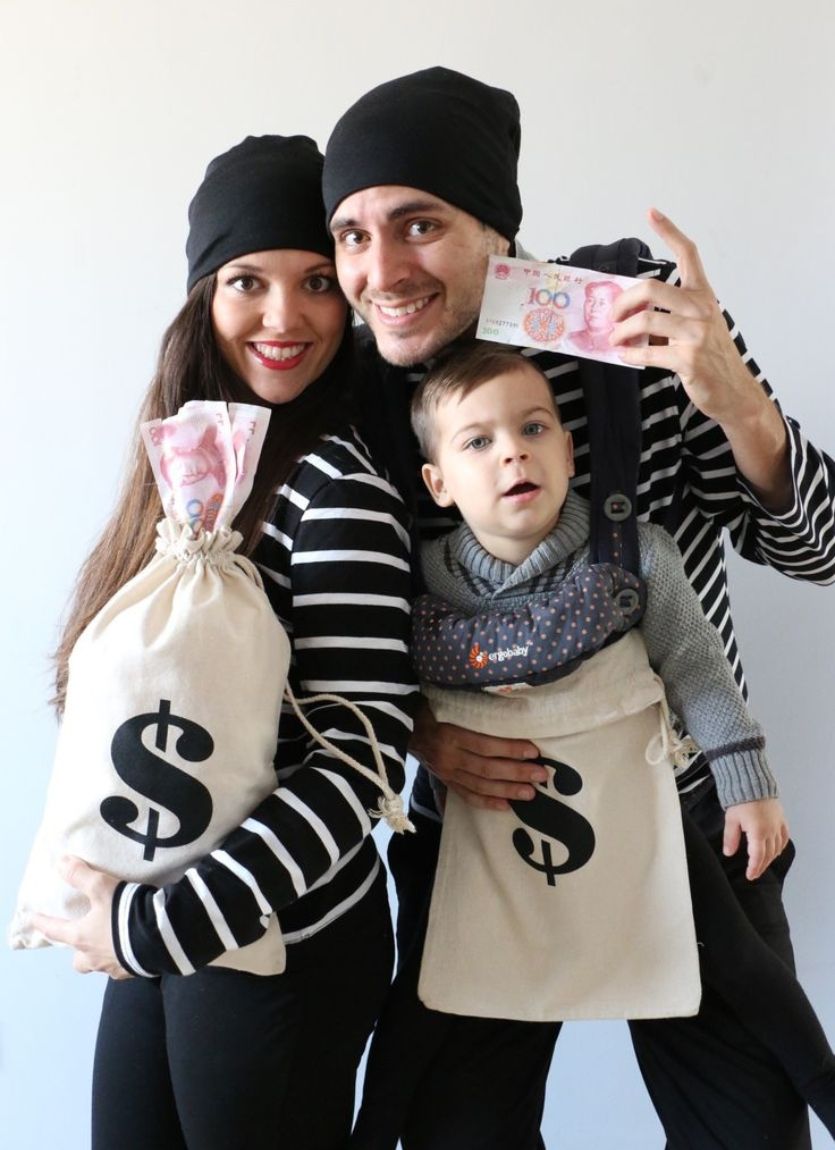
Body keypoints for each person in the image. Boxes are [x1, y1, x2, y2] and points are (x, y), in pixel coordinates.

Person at [321, 67, 835, 1148]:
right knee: (459, 1128)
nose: (382, 270)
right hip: (489, 825)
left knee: (747, 1128)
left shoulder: (638, 332)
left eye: (418, 223)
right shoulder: (359, 400)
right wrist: (422, 733)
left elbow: (817, 552)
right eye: (353, 235)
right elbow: (332, 642)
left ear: (499, 236)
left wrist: (733, 393)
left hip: (695, 816)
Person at [32, 135, 418, 1150]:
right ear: (204, 293)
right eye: (247, 280)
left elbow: (358, 762)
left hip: (278, 942)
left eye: (318, 284)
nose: (283, 317)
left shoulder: (339, 493)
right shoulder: (191, 476)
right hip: (168, 928)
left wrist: (160, 925)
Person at [352, 341, 835, 1146]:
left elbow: (697, 670)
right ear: (435, 483)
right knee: (431, 1046)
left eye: (533, 428)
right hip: (484, 855)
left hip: (663, 828)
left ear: (569, 448)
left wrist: (746, 782)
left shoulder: (634, 554)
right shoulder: (416, 582)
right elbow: (364, 683)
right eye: (477, 442)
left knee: (747, 1008)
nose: (512, 450)